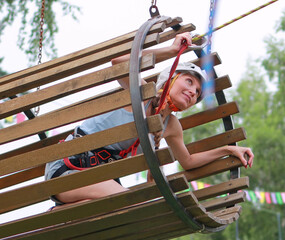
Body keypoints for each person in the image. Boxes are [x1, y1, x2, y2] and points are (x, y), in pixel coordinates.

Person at [44, 32, 254, 210]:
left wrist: (228, 150)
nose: (192, 91)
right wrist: (172, 51)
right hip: (69, 169)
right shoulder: (141, 94)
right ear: (169, 78)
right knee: (130, 204)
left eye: (197, 92)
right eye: (188, 81)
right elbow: (119, 62)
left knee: (112, 217)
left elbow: (188, 161)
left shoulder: (171, 126)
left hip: (98, 179)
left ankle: (60, 216)